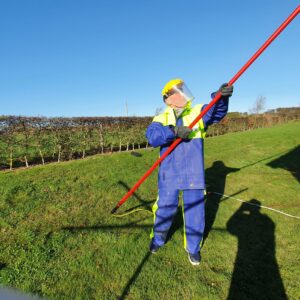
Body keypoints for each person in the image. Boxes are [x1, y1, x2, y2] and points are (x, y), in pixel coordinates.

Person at [145, 79, 233, 265]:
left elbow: (215, 112)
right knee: (164, 210)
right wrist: (174, 131)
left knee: (196, 213)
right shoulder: (161, 118)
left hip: (193, 173)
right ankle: (158, 239)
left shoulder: (197, 112)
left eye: (183, 90)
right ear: (168, 99)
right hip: (169, 175)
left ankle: (193, 249)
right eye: (178, 91)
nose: (183, 93)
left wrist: (220, 97)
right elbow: (152, 137)